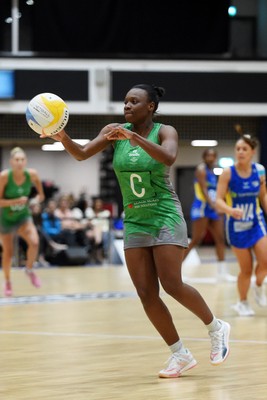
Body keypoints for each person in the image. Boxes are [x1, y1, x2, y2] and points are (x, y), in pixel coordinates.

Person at [40, 83, 230, 378]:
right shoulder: (113, 131)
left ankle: (216, 328)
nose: (126, 106)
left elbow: (168, 158)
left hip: (164, 214)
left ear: (150, 106)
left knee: (172, 284)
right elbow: (81, 154)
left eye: (134, 102)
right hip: (135, 219)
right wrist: (62, 136)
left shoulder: (165, 131)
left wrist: (134, 138)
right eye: (125, 102)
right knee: (146, 293)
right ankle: (179, 354)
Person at [216, 134, 267, 316]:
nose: (240, 152)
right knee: (245, 269)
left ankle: (259, 286)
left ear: (252, 152)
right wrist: (230, 210)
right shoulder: (228, 172)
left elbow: (263, 196)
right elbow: (218, 200)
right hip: (236, 225)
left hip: (256, 221)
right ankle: (242, 302)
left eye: (244, 149)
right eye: (238, 148)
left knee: (265, 261)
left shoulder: (259, 170)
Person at [0, 147, 44, 296]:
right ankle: (7, 282)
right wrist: (17, 200)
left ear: (26, 161)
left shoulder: (32, 174)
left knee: (35, 242)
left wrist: (34, 201)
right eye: (16, 160)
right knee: (8, 253)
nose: (19, 162)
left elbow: (40, 196)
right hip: (6, 218)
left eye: (22, 159)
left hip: (23, 217)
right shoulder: (4, 177)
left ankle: (29, 269)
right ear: (11, 162)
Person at [183, 148, 229, 281]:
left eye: (213, 155)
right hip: (202, 207)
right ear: (204, 157)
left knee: (220, 239)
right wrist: (215, 205)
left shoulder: (214, 171)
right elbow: (204, 190)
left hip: (212, 208)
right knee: (196, 239)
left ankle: (222, 273)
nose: (211, 157)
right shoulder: (201, 169)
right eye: (208, 155)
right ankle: (176, 272)